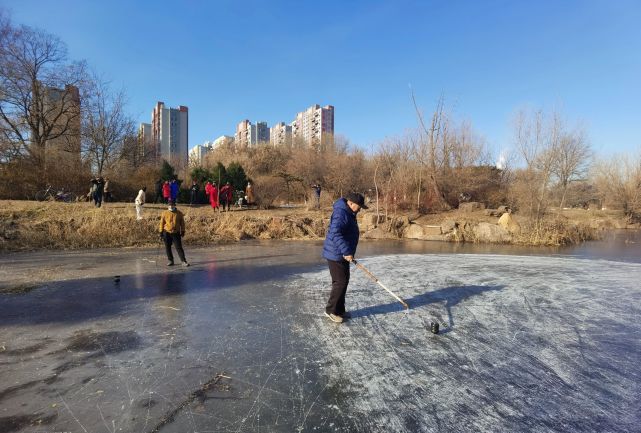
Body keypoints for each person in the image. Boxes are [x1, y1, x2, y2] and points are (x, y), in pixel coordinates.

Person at [322, 192, 368, 323]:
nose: (359, 210)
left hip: (342, 253)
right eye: (359, 207)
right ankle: (330, 311)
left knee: (344, 280)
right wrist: (346, 251)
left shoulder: (348, 212)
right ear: (351, 203)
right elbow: (335, 233)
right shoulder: (341, 213)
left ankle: (340, 309)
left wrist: (348, 252)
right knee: (340, 282)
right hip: (336, 253)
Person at [158, 200, 189, 267]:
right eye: (169, 205)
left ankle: (183, 261)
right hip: (166, 232)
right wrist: (161, 232)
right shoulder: (164, 213)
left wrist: (183, 231)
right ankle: (170, 260)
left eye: (172, 205)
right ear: (168, 205)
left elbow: (182, 223)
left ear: (175, 205)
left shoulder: (179, 213)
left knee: (179, 247)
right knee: (167, 247)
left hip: (176, 233)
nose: (171, 206)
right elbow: (161, 223)